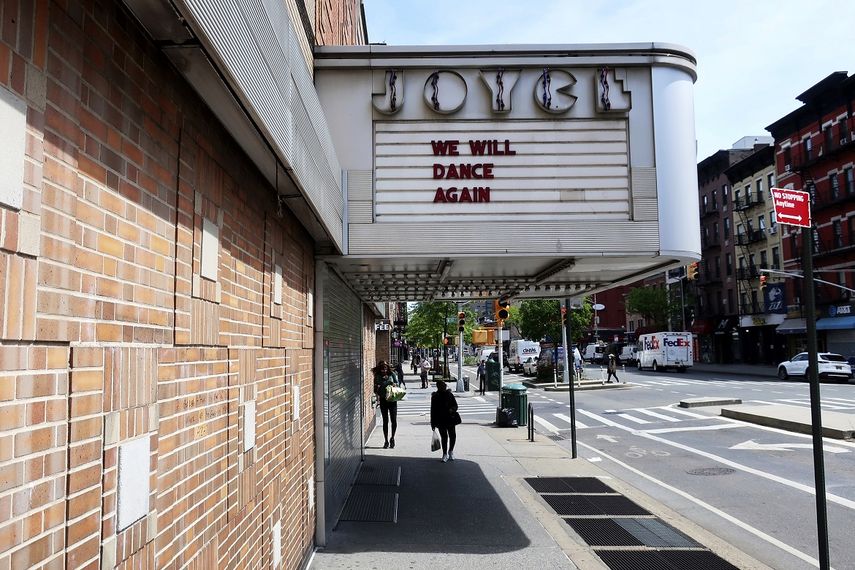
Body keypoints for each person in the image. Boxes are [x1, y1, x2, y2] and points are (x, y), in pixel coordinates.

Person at [430, 380, 459, 463]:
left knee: (452, 435)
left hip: (450, 418)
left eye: (444, 385)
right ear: (438, 387)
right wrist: (433, 423)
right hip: (440, 419)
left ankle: (451, 451)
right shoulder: (435, 396)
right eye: (442, 386)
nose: (444, 387)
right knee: (444, 437)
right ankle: (445, 453)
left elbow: (456, 405)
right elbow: (433, 410)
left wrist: (452, 409)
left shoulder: (449, 395)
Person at [373, 361, 399, 448]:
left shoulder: (392, 374)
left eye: (385, 368)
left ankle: (392, 438)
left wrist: (394, 384)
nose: (383, 370)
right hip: (384, 400)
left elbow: (398, 384)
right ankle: (386, 440)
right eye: (382, 368)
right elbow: (375, 389)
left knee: (394, 420)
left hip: (392, 400)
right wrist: (377, 388)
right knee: (385, 421)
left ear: (387, 367)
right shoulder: (377, 376)